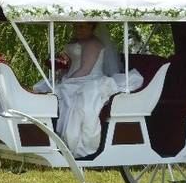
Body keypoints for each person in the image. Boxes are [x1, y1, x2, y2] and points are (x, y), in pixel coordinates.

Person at [39, 22, 143, 157]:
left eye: (82, 26)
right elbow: (70, 64)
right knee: (50, 88)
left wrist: (66, 80)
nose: (78, 29)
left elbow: (85, 69)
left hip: (89, 79)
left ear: (92, 27)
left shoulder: (94, 43)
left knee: (80, 101)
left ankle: (73, 142)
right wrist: (61, 71)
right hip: (75, 78)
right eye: (76, 26)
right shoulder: (74, 41)